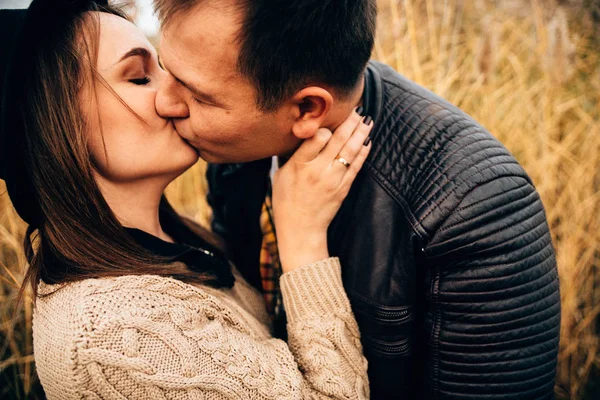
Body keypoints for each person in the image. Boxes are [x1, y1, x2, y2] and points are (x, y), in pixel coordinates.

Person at [153, 0, 562, 398]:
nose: (163, 102)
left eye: (199, 96)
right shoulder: (233, 148)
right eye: (163, 69)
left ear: (308, 109)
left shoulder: (473, 209)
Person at [0, 0, 374, 398]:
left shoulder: (171, 245)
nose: (175, 99)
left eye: (165, 67)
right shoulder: (110, 335)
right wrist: (303, 237)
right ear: (57, 130)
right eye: (140, 78)